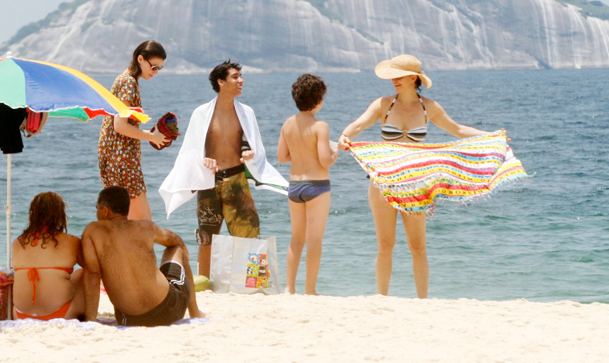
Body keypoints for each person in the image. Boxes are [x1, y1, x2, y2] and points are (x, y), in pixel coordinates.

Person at [337, 54, 487, 298]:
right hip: (383, 182)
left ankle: (422, 301)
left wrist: (488, 136)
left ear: (413, 78)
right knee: (385, 245)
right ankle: (381, 298)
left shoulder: (430, 107)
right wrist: (345, 137)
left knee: (418, 247)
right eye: (392, 76)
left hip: (416, 185)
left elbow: (458, 129)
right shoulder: (384, 104)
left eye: (399, 76)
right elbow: (356, 126)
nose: (393, 80)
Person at [159, 60, 288, 278]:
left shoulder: (246, 112)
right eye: (235, 76)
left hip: (236, 177)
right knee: (207, 236)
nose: (241, 80)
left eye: (240, 76)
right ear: (221, 81)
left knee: (249, 232)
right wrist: (204, 160)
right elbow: (191, 149)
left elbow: (253, 144)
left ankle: (254, 281)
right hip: (210, 181)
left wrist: (249, 153)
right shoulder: (202, 113)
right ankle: (205, 281)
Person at [81, 186, 203, 326]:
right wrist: (183, 250)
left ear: (105, 210)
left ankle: (195, 313)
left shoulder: (92, 232)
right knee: (176, 250)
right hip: (168, 312)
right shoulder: (146, 227)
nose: (96, 211)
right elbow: (174, 239)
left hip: (129, 319)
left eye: (96, 207)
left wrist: (90, 319)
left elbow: (92, 275)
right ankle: (195, 313)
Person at [277, 74, 337, 295]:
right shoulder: (320, 126)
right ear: (318, 99)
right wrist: (335, 154)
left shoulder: (288, 123)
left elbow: (282, 156)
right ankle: (310, 290)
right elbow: (324, 160)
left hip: (295, 186)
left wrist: (302, 153)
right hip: (317, 186)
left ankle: (289, 288)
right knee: (315, 240)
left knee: (296, 239)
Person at [98, 40, 169, 221]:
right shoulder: (128, 83)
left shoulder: (123, 79)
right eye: (153, 67)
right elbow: (120, 125)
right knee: (142, 222)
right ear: (140, 59)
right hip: (122, 159)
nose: (155, 72)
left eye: (159, 68)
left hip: (114, 157)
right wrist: (151, 136)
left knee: (122, 221)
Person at [12, 192, 85, 320]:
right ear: (60, 215)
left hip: (20, 315)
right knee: (82, 274)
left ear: (33, 214)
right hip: (61, 314)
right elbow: (91, 268)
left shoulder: (17, 242)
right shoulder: (72, 241)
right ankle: (90, 318)